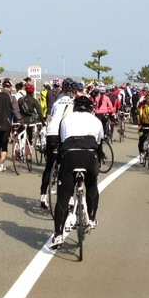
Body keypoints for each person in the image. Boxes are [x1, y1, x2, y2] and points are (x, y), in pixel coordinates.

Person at [49, 93, 104, 250]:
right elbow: (99, 143)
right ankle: (92, 218)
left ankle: (58, 235)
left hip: (70, 155)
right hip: (90, 156)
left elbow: (61, 141)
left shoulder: (66, 119)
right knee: (92, 184)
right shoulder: (96, 120)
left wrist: (58, 164)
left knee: (63, 197)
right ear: (90, 108)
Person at [39, 79, 78, 209]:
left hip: (52, 133)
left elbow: (53, 116)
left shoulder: (57, 102)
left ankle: (43, 195)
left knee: (49, 165)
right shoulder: (75, 102)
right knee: (70, 166)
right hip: (65, 134)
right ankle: (71, 197)